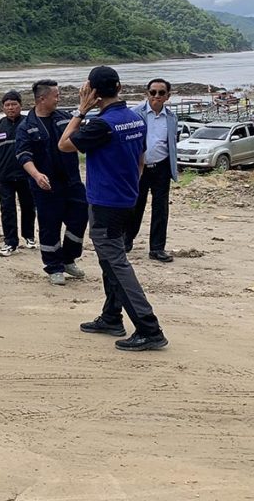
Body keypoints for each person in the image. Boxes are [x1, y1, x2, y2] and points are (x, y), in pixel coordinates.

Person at [59, 66, 168, 351]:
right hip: (127, 199)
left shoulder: (101, 125)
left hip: (106, 203)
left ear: (92, 91)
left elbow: (64, 144)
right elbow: (141, 160)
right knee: (110, 260)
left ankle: (149, 328)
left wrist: (81, 111)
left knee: (116, 263)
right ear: (119, 88)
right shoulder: (135, 119)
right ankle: (111, 316)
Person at [15, 79, 88, 286]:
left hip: (72, 181)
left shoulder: (65, 119)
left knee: (80, 217)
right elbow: (23, 156)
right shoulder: (26, 126)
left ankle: (68, 258)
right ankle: (54, 267)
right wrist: (37, 175)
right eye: (56, 95)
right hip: (45, 186)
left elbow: (82, 135)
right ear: (42, 99)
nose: (59, 99)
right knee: (49, 226)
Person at [126, 79, 178, 262]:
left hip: (162, 167)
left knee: (160, 209)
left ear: (168, 96)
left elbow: (172, 142)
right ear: (147, 94)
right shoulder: (134, 114)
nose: (157, 96)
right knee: (134, 205)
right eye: (153, 92)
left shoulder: (171, 117)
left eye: (161, 93)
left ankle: (157, 248)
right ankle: (126, 240)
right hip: (139, 168)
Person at [0, 90, 37, 257]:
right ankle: (10, 242)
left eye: (14, 104)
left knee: (28, 207)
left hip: (26, 175)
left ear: (20, 106)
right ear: (3, 108)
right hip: (4, 176)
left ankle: (29, 236)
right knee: (7, 210)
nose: (11, 108)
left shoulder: (29, 123)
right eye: (7, 105)